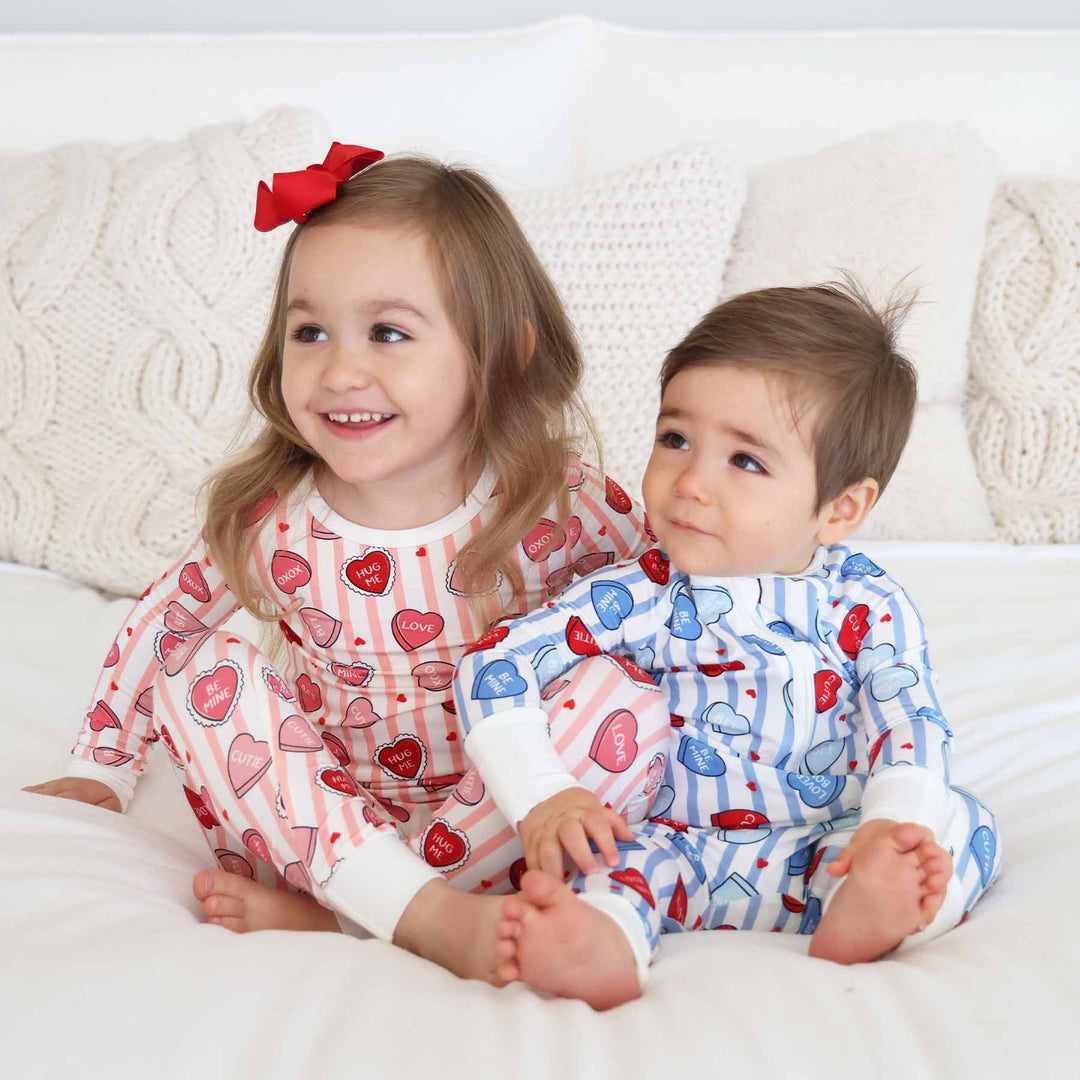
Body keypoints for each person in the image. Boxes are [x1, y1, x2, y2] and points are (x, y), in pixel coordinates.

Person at [22, 143, 668, 991]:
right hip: (323, 823)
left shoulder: (555, 499)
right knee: (198, 672)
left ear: (501, 353)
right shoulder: (276, 518)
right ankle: (417, 914)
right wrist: (101, 764)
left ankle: (363, 917)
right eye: (310, 331)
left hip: (505, 811)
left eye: (388, 332)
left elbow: (681, 594)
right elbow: (165, 620)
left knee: (631, 693)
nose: (338, 370)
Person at [454, 281, 1003, 1009]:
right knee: (602, 866)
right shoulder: (641, 593)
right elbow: (498, 664)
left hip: (829, 849)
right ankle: (601, 939)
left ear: (841, 508)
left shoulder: (866, 605)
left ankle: (871, 907)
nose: (690, 483)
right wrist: (547, 797)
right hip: (673, 847)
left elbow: (909, 724)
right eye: (676, 439)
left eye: (745, 461)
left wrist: (888, 828)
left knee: (960, 823)